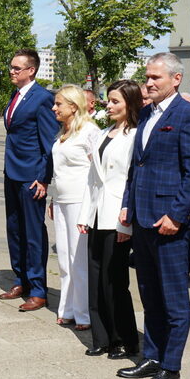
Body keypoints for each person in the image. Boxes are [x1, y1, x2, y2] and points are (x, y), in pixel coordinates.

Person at [117, 52, 190, 379]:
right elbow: (136, 167)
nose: (149, 83)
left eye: (156, 77)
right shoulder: (147, 115)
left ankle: (171, 367)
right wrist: (128, 205)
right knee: (150, 294)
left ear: (176, 79)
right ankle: (152, 356)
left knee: (173, 300)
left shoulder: (188, 115)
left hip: (170, 223)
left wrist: (177, 215)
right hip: (142, 219)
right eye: (147, 77)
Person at [78, 80, 141, 359]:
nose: (109, 105)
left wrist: (127, 222)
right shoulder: (104, 133)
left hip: (117, 216)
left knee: (113, 280)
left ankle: (124, 339)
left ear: (130, 103)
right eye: (108, 100)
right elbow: (93, 179)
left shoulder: (136, 136)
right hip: (96, 215)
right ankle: (101, 337)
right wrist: (84, 215)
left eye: (116, 101)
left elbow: (133, 181)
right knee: (95, 278)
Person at [0, 48, 57, 312]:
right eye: (11, 67)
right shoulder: (16, 95)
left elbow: (49, 144)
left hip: (31, 177)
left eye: (17, 68)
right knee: (14, 230)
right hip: (11, 173)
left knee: (33, 234)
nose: (12, 71)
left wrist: (43, 179)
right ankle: (20, 278)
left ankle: (38, 289)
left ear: (31, 71)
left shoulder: (43, 98)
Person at [48, 84, 99, 329]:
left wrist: (91, 208)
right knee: (64, 260)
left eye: (58, 104)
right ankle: (67, 308)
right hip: (61, 200)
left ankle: (84, 314)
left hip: (80, 202)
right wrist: (52, 198)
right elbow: (59, 170)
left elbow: (97, 173)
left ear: (73, 106)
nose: (54, 108)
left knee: (78, 260)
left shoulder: (89, 131)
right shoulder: (63, 132)